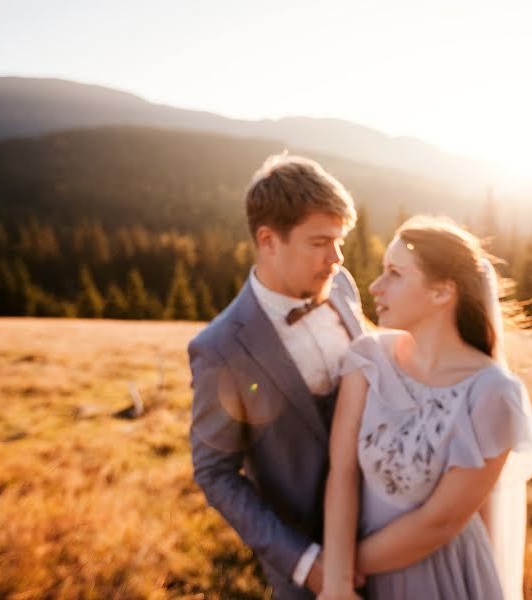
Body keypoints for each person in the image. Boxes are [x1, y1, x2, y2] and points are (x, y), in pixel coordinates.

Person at [320, 216, 532, 600]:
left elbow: (437, 523)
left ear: (442, 293)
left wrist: (342, 567)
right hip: (353, 579)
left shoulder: (494, 394)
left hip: (442, 580)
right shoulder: (367, 359)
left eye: (395, 273)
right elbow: (341, 473)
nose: (375, 286)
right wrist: (337, 582)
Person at [188, 153, 367, 600]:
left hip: (390, 536)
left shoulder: (342, 285)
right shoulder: (220, 348)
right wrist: (305, 563)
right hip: (312, 567)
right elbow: (216, 473)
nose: (337, 257)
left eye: (340, 240)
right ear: (268, 240)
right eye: (320, 242)